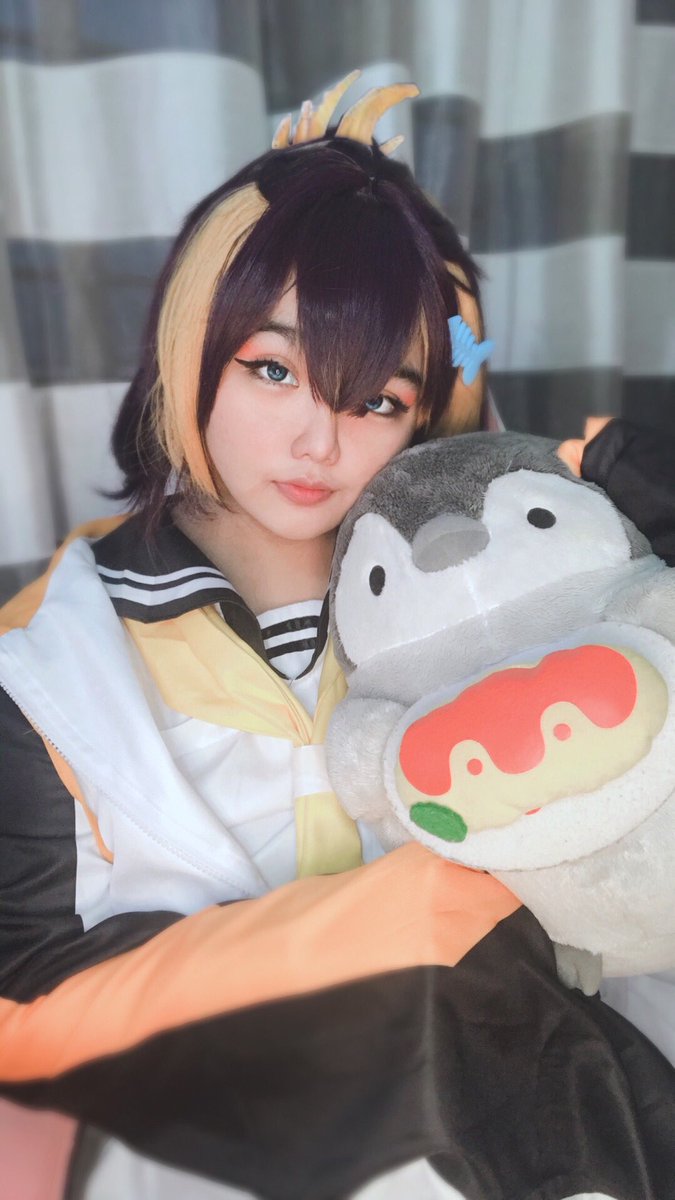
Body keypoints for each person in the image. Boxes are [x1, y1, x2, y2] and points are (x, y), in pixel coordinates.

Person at [0, 73, 674, 1200]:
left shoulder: (492, 576)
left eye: (377, 399)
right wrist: (402, 931)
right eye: (273, 369)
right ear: (191, 347)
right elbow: (24, 1009)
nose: (318, 441)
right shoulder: (50, 664)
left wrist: (595, 479)